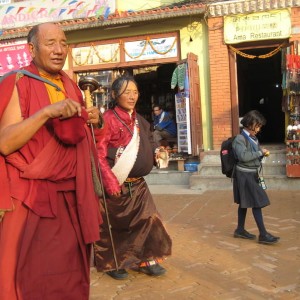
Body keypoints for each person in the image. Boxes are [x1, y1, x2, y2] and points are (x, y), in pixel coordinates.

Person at [0, 23, 103, 300]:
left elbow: (76, 139)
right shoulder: (17, 81)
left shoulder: (71, 85)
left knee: (68, 275)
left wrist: (92, 119)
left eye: (64, 43)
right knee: (22, 274)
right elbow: (5, 142)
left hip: (70, 197)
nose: (59, 50)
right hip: (29, 196)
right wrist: (45, 113)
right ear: (31, 49)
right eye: (50, 43)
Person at [94, 75, 172, 280]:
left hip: (138, 186)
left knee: (149, 220)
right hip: (116, 186)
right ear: (114, 95)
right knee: (118, 227)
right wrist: (110, 181)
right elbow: (98, 153)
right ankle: (113, 263)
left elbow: (148, 140)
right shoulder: (108, 120)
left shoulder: (140, 121)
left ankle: (148, 259)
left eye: (135, 92)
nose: (132, 96)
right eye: (127, 92)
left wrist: (157, 152)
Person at [232, 110, 280, 245]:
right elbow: (243, 156)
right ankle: (263, 234)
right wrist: (259, 152)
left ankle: (240, 230)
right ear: (250, 124)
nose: (258, 129)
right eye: (257, 126)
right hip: (244, 175)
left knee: (244, 202)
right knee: (256, 202)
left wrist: (261, 154)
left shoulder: (253, 138)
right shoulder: (239, 139)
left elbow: (251, 154)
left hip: (251, 174)